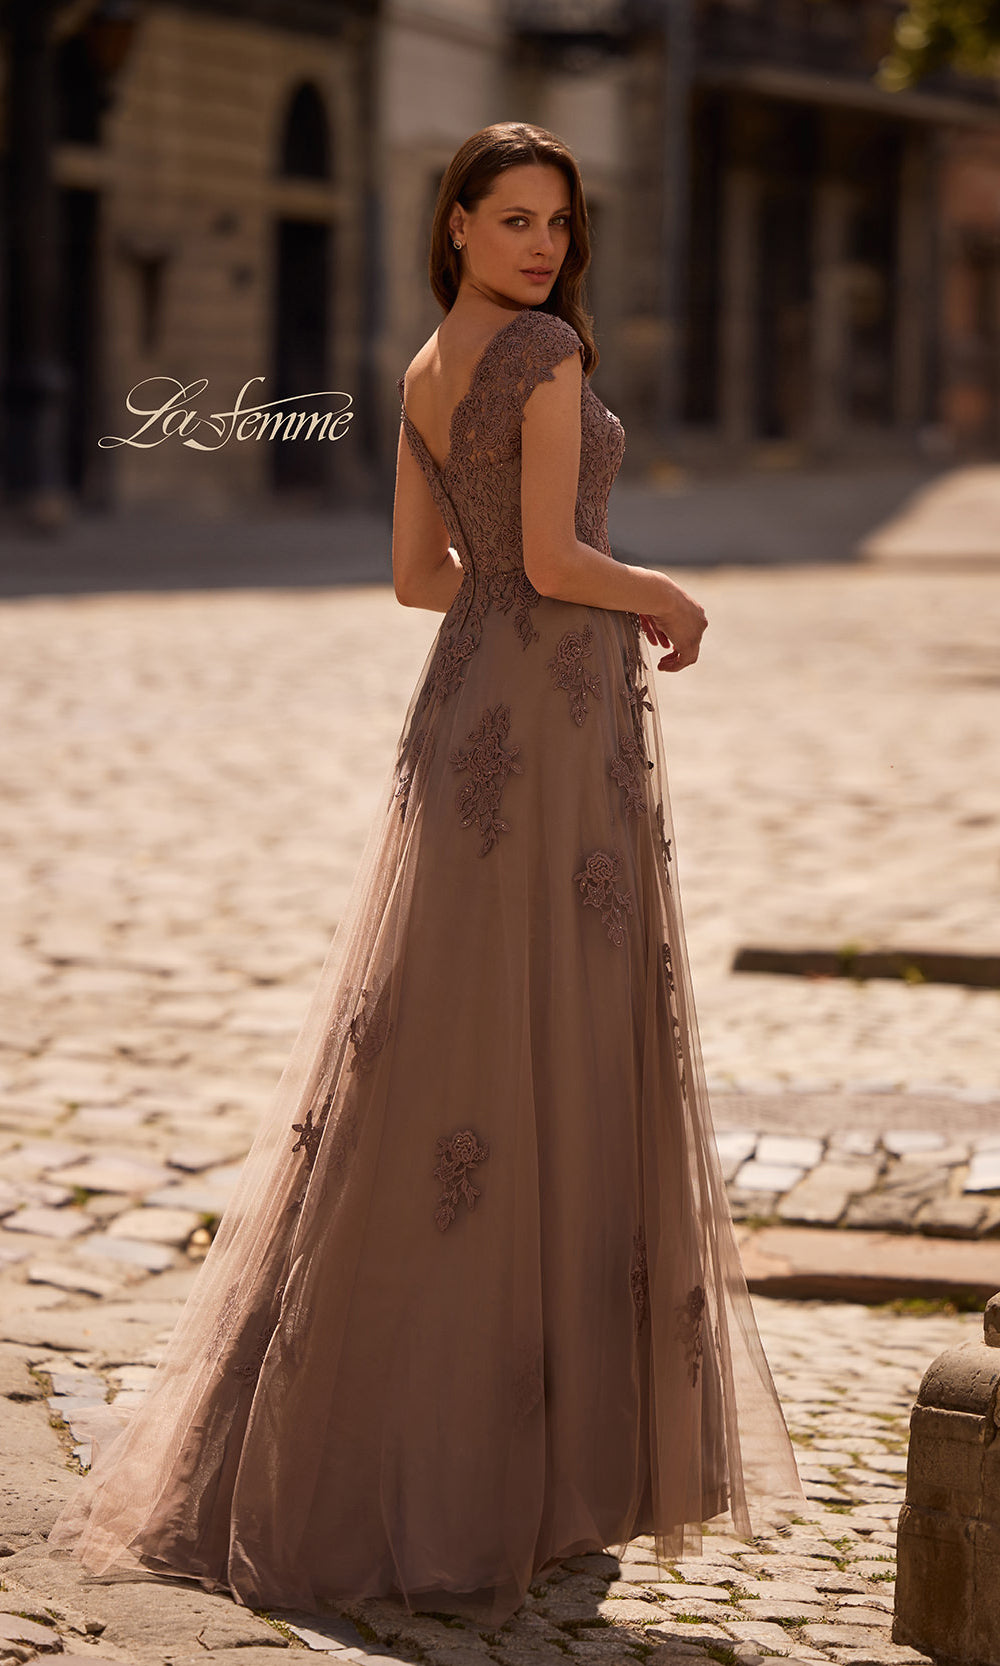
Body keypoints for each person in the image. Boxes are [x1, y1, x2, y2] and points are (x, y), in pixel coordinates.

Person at [46, 120, 802, 1629]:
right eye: (512, 218)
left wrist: (518, 603)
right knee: (545, 1049)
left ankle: (412, 1443)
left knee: (436, 1051)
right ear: (452, 223)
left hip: (473, 705)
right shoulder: (539, 356)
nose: (541, 246)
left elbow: (419, 575)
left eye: (557, 224)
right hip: (553, 713)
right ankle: (520, 1471)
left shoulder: (422, 368)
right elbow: (546, 545)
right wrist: (644, 586)